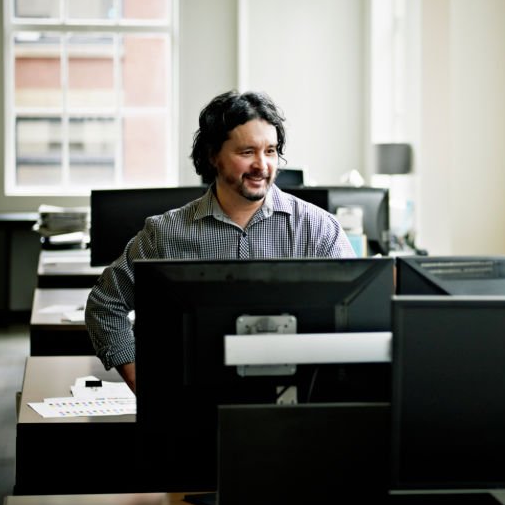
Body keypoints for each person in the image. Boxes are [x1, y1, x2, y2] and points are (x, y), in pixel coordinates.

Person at [86, 90, 355, 392]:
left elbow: (354, 313)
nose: (262, 165)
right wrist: (138, 375)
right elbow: (105, 304)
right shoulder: (165, 233)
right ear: (213, 156)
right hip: (194, 399)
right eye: (247, 152)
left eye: (270, 151)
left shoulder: (318, 229)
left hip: (295, 398)